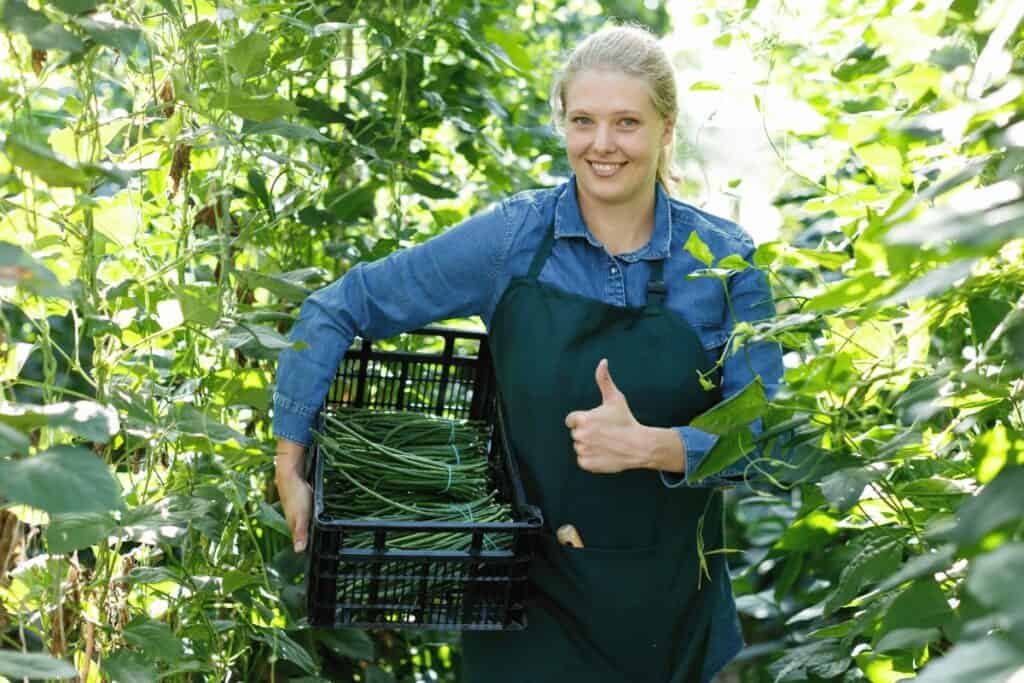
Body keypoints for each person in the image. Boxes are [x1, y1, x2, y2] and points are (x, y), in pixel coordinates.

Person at [273, 23, 783, 683]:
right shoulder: (515, 241)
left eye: (626, 122)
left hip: (676, 628)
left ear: (665, 128)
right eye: (583, 121)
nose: (602, 145)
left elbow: (762, 438)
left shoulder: (724, 262)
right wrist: (290, 454)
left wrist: (651, 445)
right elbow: (340, 306)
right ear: (564, 126)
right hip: (528, 614)